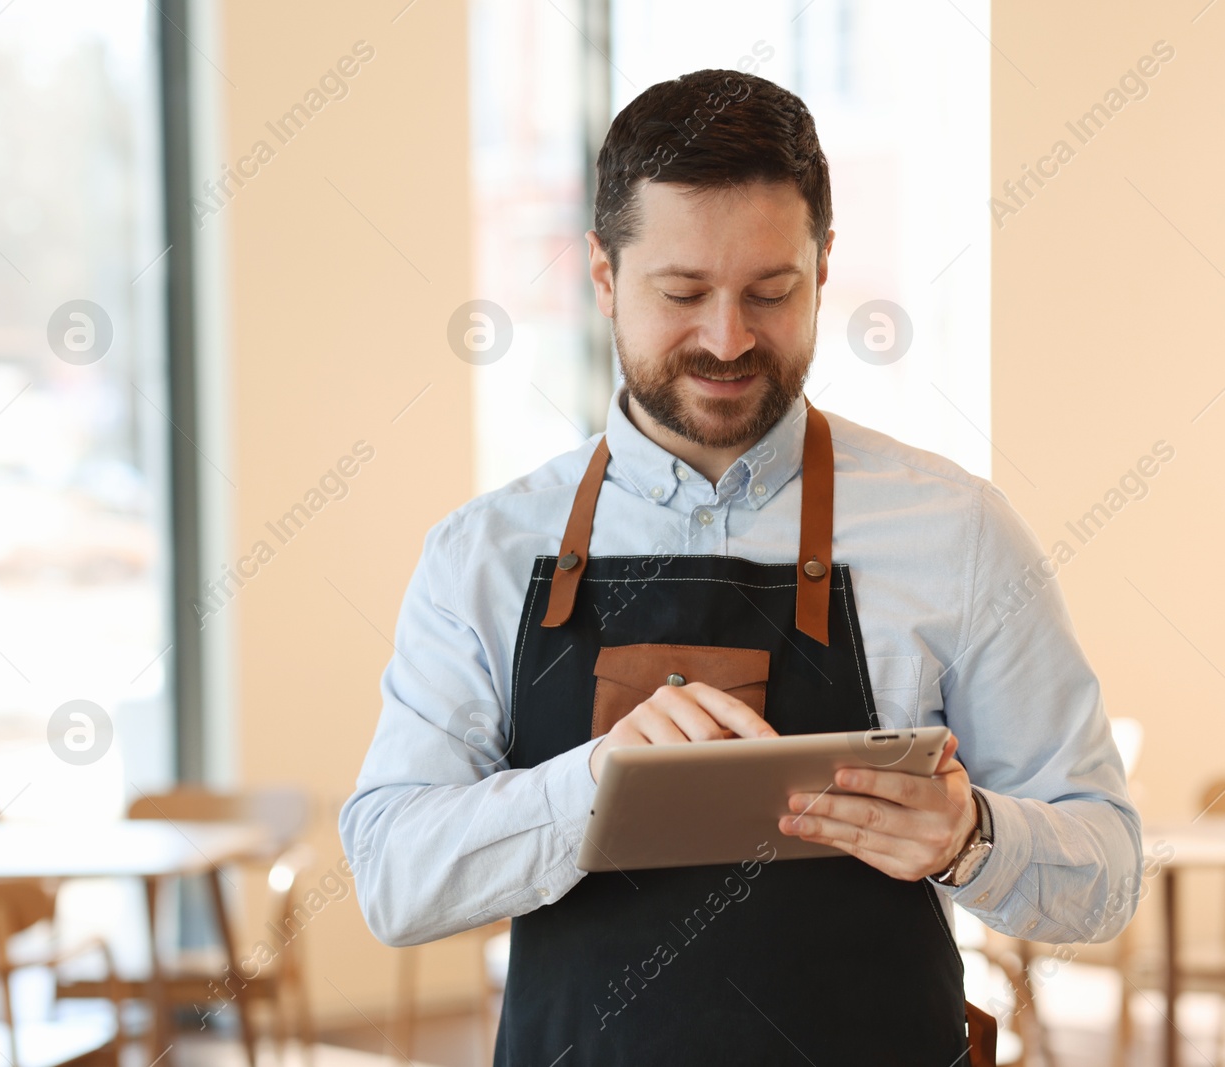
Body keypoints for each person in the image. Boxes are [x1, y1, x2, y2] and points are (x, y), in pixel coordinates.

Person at [342, 67, 1142, 1066]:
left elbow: (1105, 871)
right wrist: (591, 786)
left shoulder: (958, 531)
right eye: (682, 293)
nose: (728, 339)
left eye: (771, 291)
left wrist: (967, 835)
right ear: (601, 276)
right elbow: (391, 878)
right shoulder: (483, 553)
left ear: (824, 263)